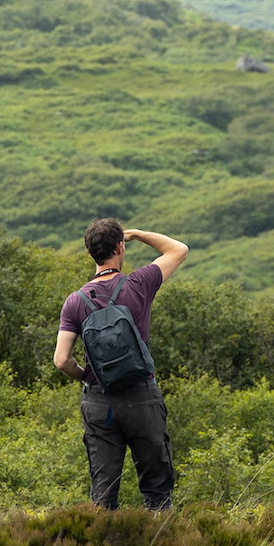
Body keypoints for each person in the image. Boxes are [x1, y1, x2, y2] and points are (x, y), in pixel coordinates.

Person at [52, 218, 189, 511]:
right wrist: (137, 234)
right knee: (157, 489)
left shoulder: (74, 302)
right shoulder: (139, 283)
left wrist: (88, 378)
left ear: (91, 252)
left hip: (100, 404)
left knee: (103, 494)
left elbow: (61, 360)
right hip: (141, 398)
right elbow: (178, 249)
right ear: (119, 247)